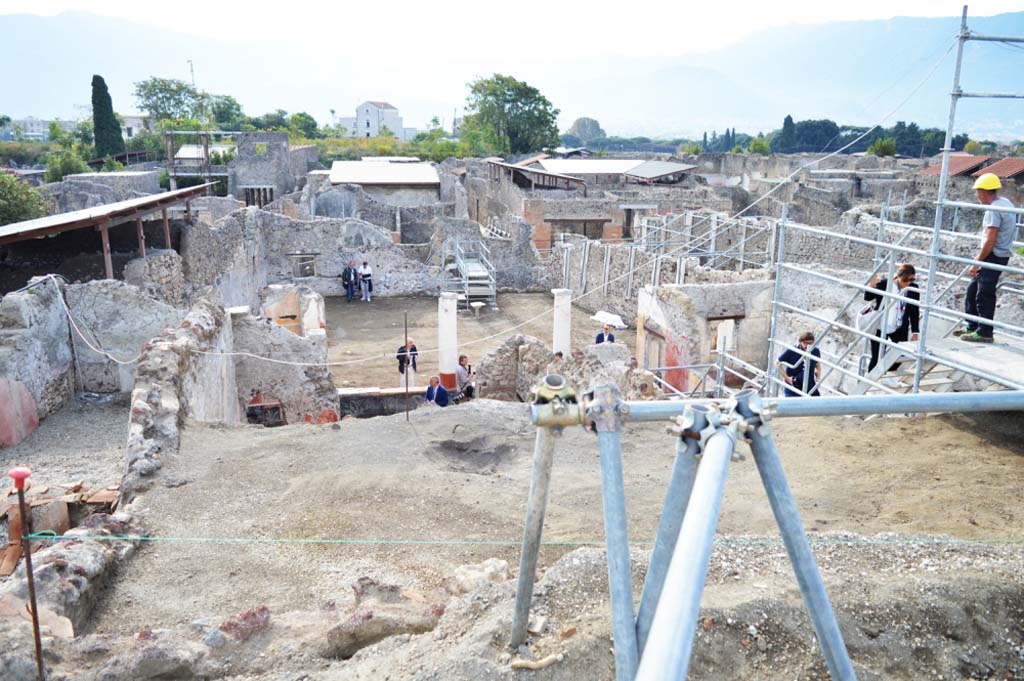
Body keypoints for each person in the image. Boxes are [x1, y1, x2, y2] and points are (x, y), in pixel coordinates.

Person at [957, 173, 1017, 344]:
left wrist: (977, 262)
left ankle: (984, 332)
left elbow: (991, 240)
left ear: (983, 192)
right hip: (999, 254)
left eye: (977, 192)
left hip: (994, 255)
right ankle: (972, 325)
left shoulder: (993, 209)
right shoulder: (1005, 202)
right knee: (972, 290)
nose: (977, 196)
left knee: (984, 294)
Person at [864, 263, 919, 372]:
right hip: (880, 326)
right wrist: (871, 286)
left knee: (901, 354)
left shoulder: (913, 289)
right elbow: (867, 297)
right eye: (905, 280)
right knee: (876, 357)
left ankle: (885, 374)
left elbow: (914, 311)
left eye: (911, 280)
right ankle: (870, 379)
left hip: (899, 327)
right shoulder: (885, 284)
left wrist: (915, 332)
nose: (908, 283)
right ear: (898, 277)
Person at [775, 331, 821, 397]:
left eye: (810, 343)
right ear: (800, 342)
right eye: (805, 343)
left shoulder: (815, 351)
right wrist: (787, 378)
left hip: (809, 384)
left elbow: (818, 365)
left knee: (817, 402)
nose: (808, 346)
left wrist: (818, 379)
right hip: (793, 385)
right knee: (792, 402)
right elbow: (776, 363)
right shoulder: (792, 350)